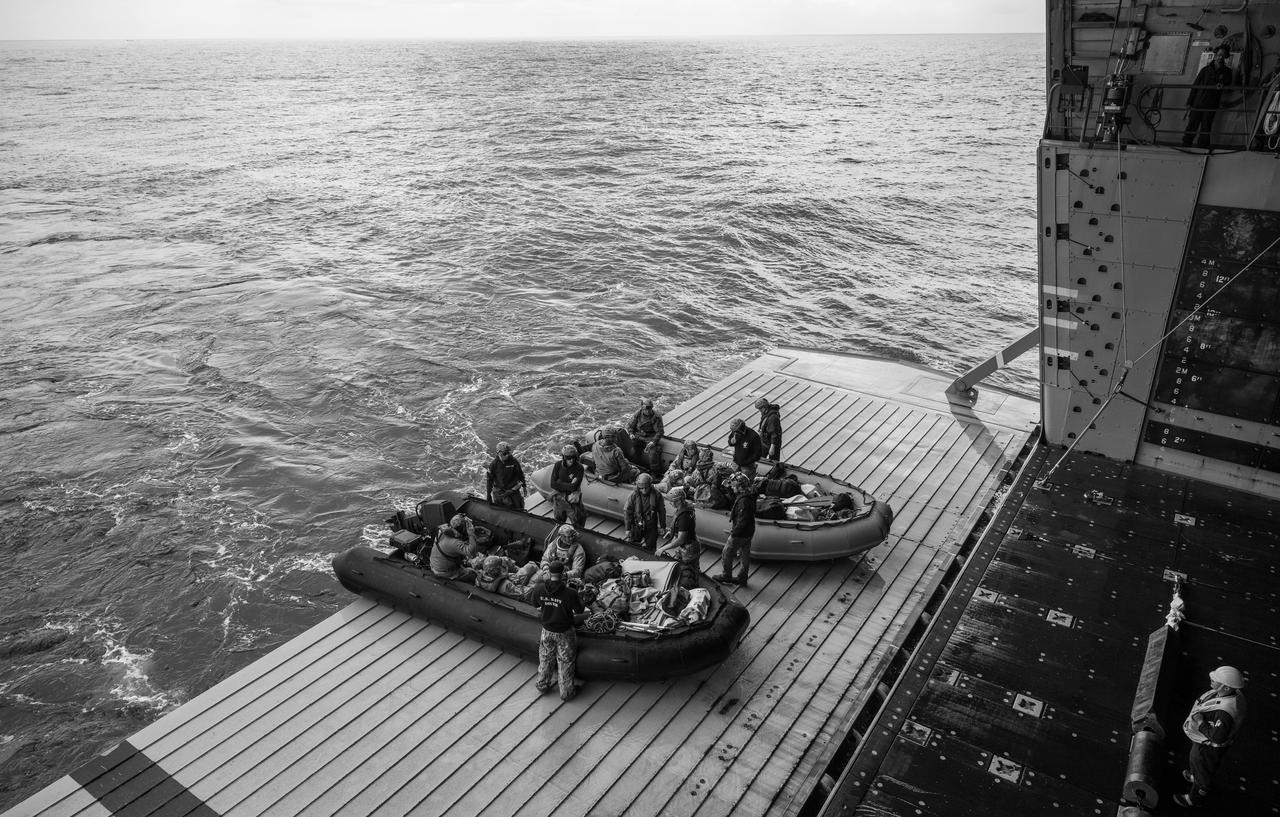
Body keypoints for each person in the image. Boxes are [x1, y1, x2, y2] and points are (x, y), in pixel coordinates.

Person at [1174, 665, 1247, 808]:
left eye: (1216, 680)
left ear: (1226, 687)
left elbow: (1217, 737)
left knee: (1203, 770)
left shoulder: (1225, 713)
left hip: (1209, 748)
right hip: (1204, 743)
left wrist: (1200, 722)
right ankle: (1196, 777)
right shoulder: (1233, 694)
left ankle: (1195, 797)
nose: (1212, 679)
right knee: (1196, 762)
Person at [526, 561, 587, 701]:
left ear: (549, 573)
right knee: (565, 661)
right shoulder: (570, 593)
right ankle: (566, 693)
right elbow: (579, 610)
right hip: (564, 632)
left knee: (545, 657)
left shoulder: (539, 588)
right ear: (563, 573)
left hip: (546, 630)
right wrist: (582, 597)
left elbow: (535, 604)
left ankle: (542, 684)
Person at [1183, 45, 1235, 149]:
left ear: (1226, 57)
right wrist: (1189, 102)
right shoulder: (1205, 70)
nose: (1221, 57)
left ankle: (1202, 148)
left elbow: (1229, 86)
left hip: (1211, 103)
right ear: (1215, 55)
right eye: (1219, 55)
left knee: (1206, 127)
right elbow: (1195, 86)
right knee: (1192, 125)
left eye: (1223, 56)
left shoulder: (1227, 72)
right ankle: (1186, 145)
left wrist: (1223, 85)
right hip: (1198, 102)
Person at [716, 473, 757, 586]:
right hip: (749, 531)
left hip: (740, 533)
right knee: (744, 554)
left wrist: (734, 534)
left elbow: (743, 520)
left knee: (727, 552)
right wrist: (728, 488)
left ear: (740, 487)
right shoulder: (749, 495)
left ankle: (726, 575)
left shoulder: (744, 502)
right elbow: (736, 497)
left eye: (734, 486)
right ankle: (742, 577)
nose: (732, 488)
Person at [656, 487, 701, 589]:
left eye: (672, 501)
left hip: (688, 548)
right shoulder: (685, 508)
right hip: (689, 544)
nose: (671, 503)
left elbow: (681, 539)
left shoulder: (684, 516)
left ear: (679, 501)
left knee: (690, 569)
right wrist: (671, 532)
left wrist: (663, 548)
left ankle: (691, 588)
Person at [428, 514, 480, 583]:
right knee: (472, 573)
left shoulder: (442, 529)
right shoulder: (454, 543)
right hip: (444, 572)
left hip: (435, 564)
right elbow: (471, 552)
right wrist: (471, 533)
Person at [624, 472, 667, 551]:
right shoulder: (633, 495)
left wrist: (662, 526)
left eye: (646, 488)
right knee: (632, 546)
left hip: (651, 525)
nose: (644, 490)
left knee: (651, 547)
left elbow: (661, 511)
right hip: (637, 524)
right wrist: (628, 528)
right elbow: (627, 511)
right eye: (641, 488)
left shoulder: (657, 495)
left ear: (650, 485)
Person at [550, 443, 586, 528]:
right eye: (568, 458)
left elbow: (574, 487)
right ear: (564, 457)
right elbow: (552, 484)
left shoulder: (579, 468)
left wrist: (559, 482)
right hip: (559, 498)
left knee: (579, 522)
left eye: (573, 457)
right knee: (558, 522)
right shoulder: (558, 465)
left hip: (572, 499)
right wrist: (569, 484)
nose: (571, 460)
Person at [626, 398, 665, 475]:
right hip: (639, 435)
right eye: (645, 409)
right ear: (642, 409)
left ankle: (655, 473)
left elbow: (660, 431)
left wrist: (653, 441)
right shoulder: (637, 414)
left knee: (653, 453)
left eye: (649, 409)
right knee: (634, 450)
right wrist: (631, 433)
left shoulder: (656, 417)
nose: (647, 411)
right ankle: (636, 467)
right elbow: (630, 426)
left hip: (651, 437)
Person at [485, 442, 527, 509]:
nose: (507, 455)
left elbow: (520, 474)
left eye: (509, 453)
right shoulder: (494, 465)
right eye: (505, 453)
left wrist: (524, 486)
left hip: (513, 489)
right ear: (499, 453)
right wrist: (488, 495)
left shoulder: (514, 461)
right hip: (500, 491)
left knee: (519, 507)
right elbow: (489, 480)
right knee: (500, 508)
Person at [754, 397, 783, 461]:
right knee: (759, 457)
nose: (760, 411)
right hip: (765, 441)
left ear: (765, 407)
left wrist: (772, 447)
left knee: (773, 461)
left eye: (760, 409)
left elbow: (774, 433)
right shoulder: (766, 413)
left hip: (772, 443)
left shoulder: (773, 417)